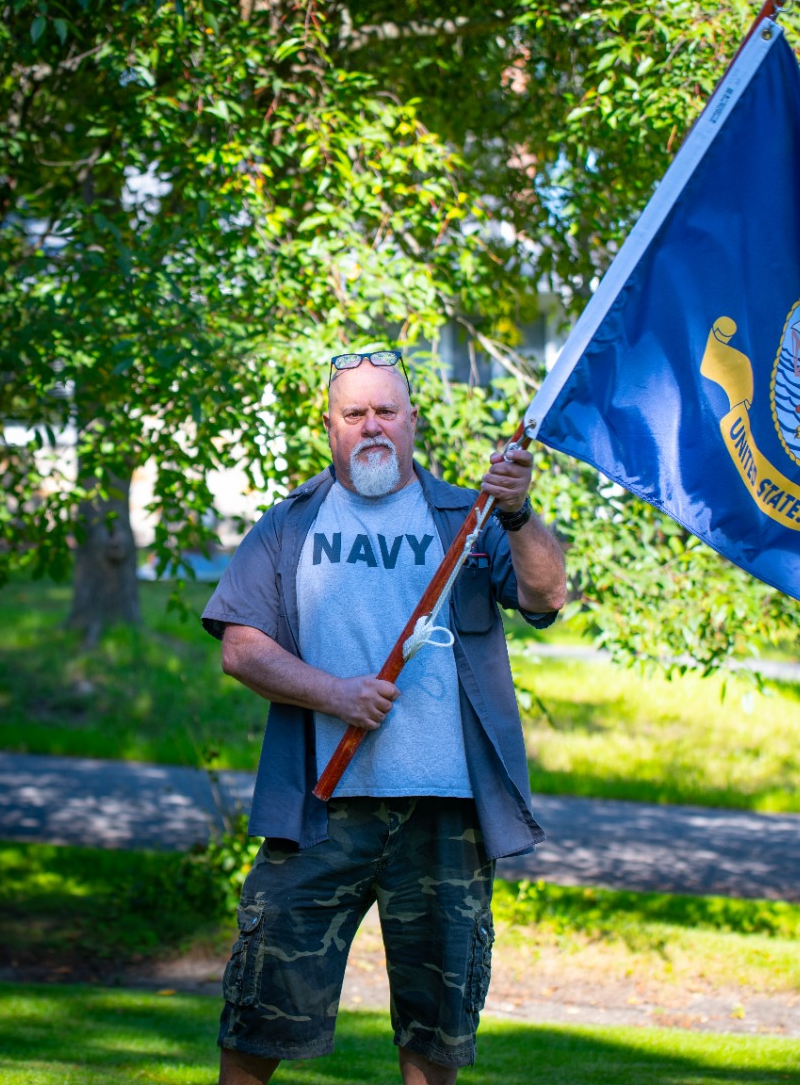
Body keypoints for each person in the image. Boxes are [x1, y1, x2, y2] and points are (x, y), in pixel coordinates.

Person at [201, 350, 567, 1085]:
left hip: (447, 813)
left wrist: (520, 511)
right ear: (330, 429)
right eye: (355, 414)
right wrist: (333, 694)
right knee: (260, 1008)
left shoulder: (472, 518)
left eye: (386, 412)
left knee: (436, 1031)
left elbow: (547, 596)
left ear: (412, 422)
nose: (372, 426)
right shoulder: (288, 525)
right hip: (318, 807)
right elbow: (241, 649)